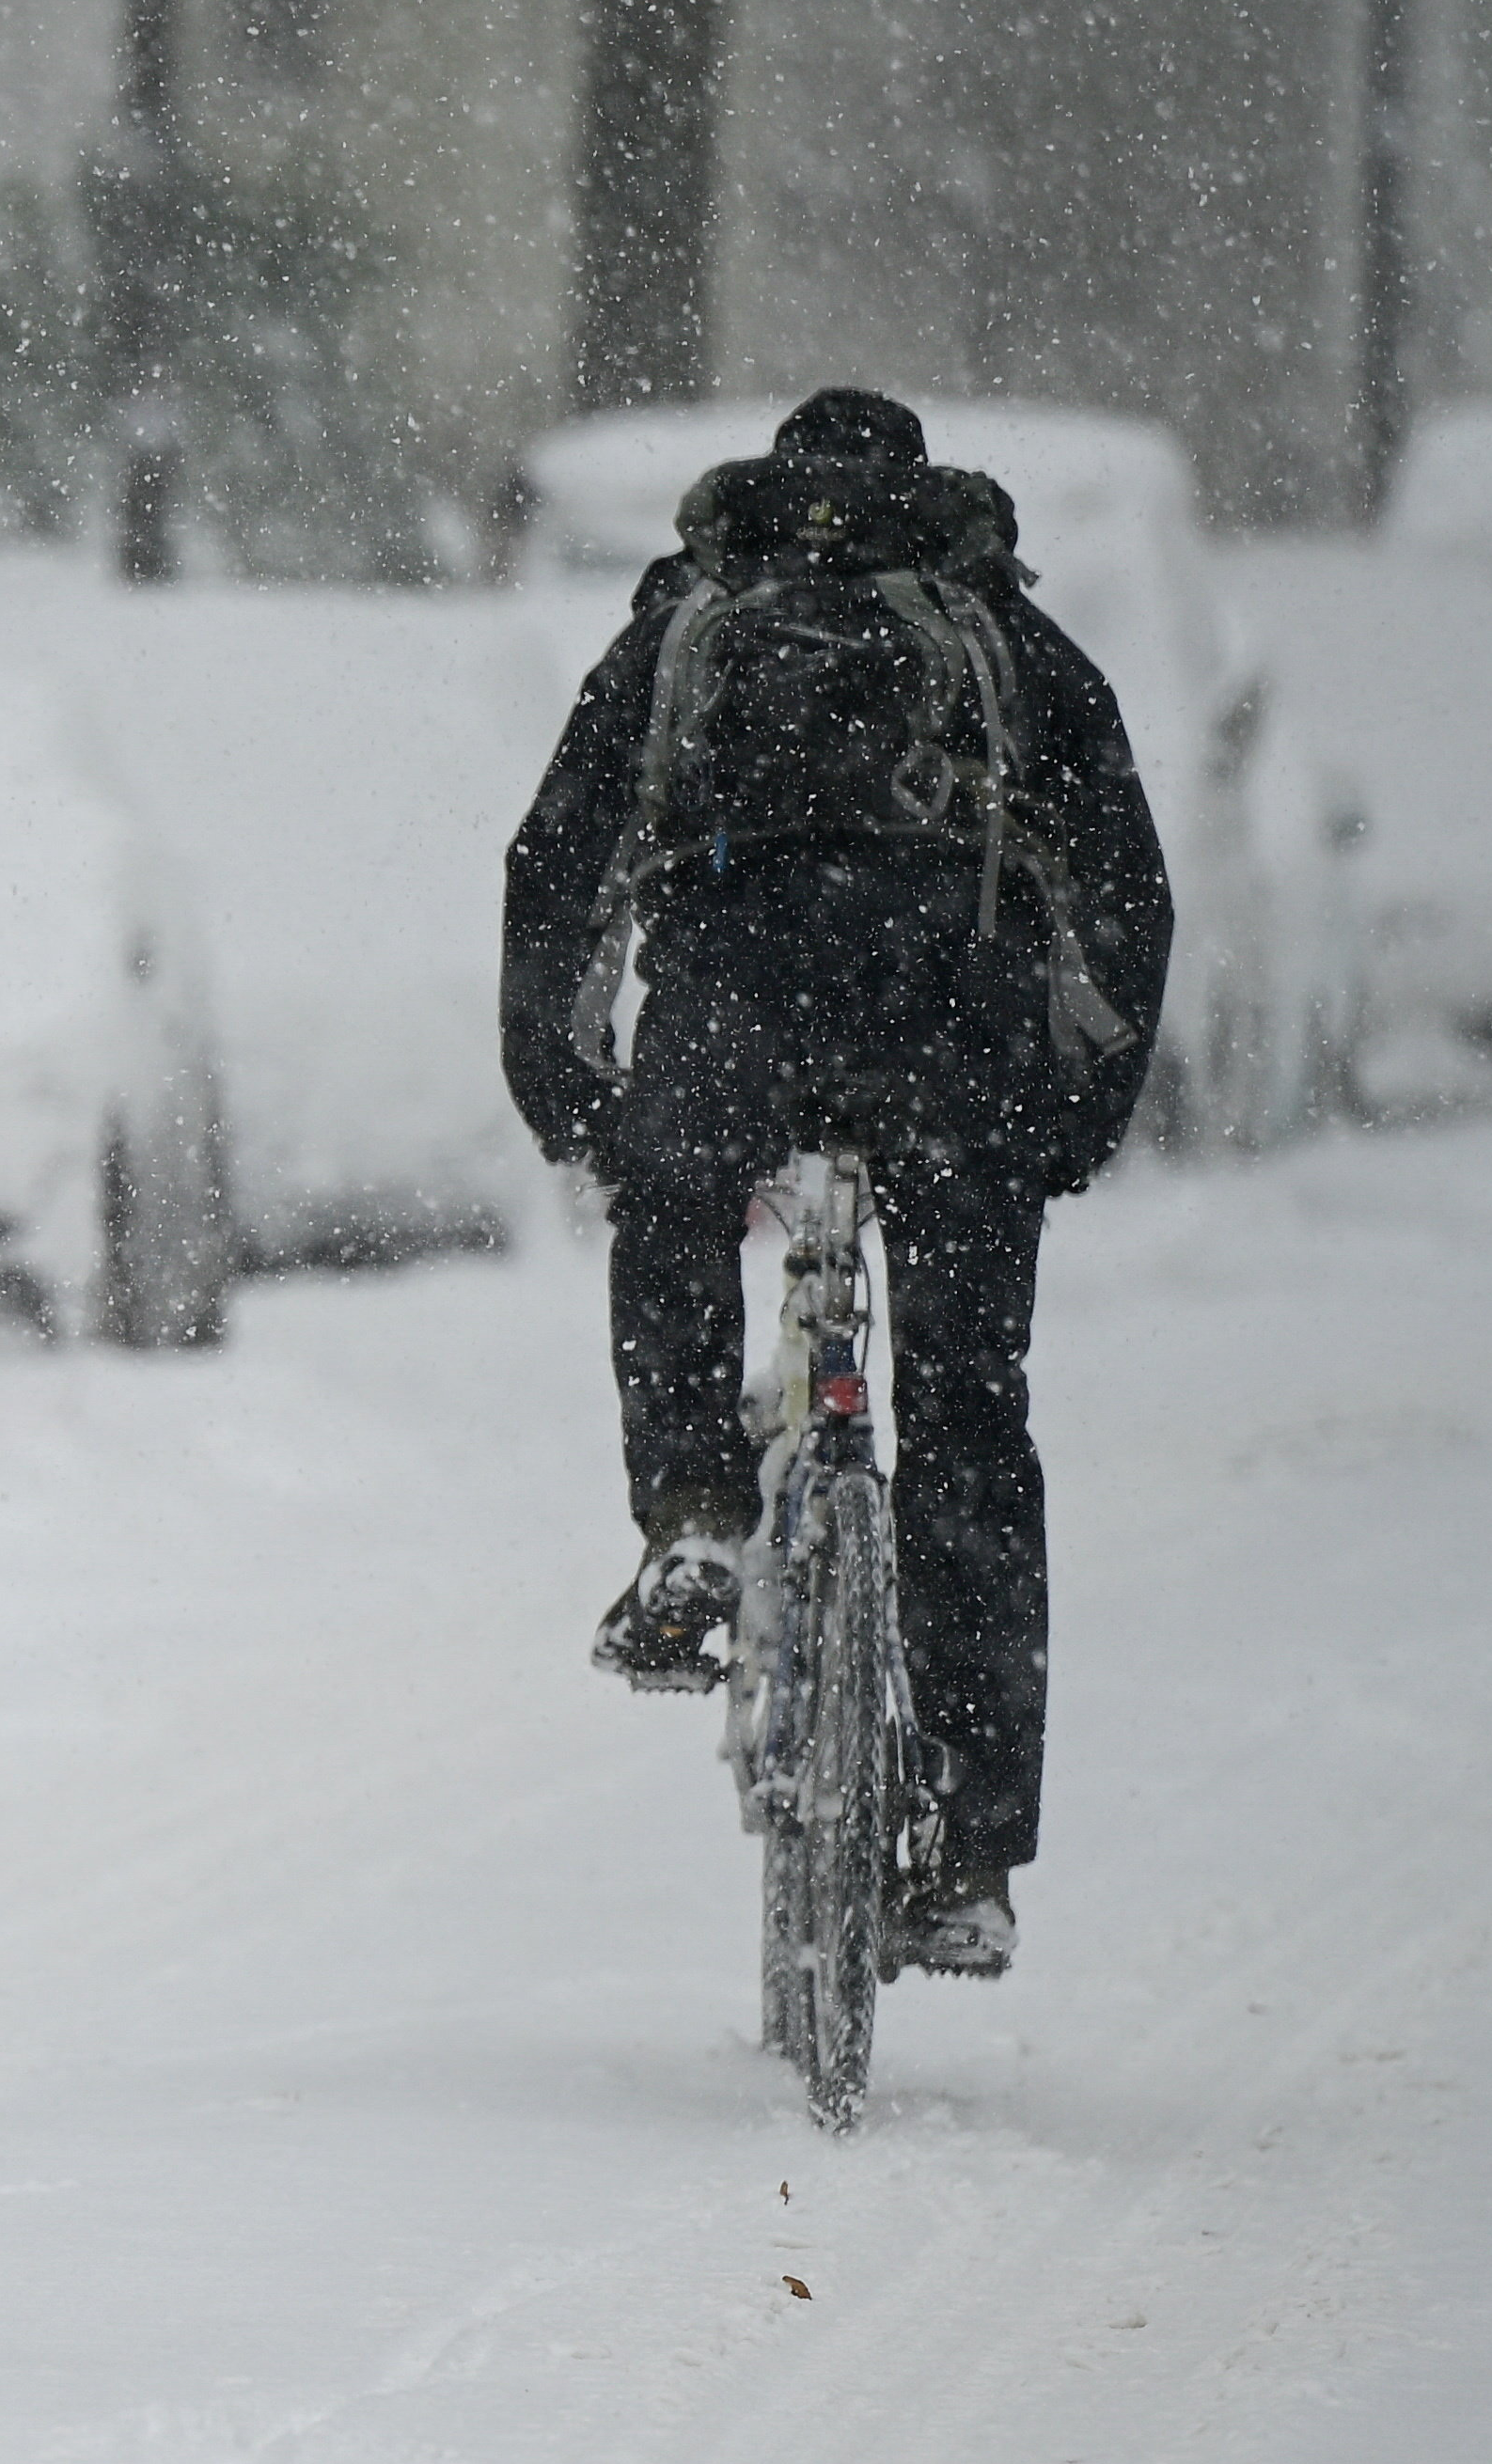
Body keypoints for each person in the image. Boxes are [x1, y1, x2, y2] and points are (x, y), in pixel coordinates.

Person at [495, 387, 1171, 1980]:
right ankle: (973, 1853)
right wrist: (1084, 1106)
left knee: (671, 1210)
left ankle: (695, 1518)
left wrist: (571, 1090)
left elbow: (561, 848)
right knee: (970, 1423)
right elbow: (1126, 877)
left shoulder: (692, 616)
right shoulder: (1000, 633)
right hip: (953, 1042)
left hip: (737, 1018)